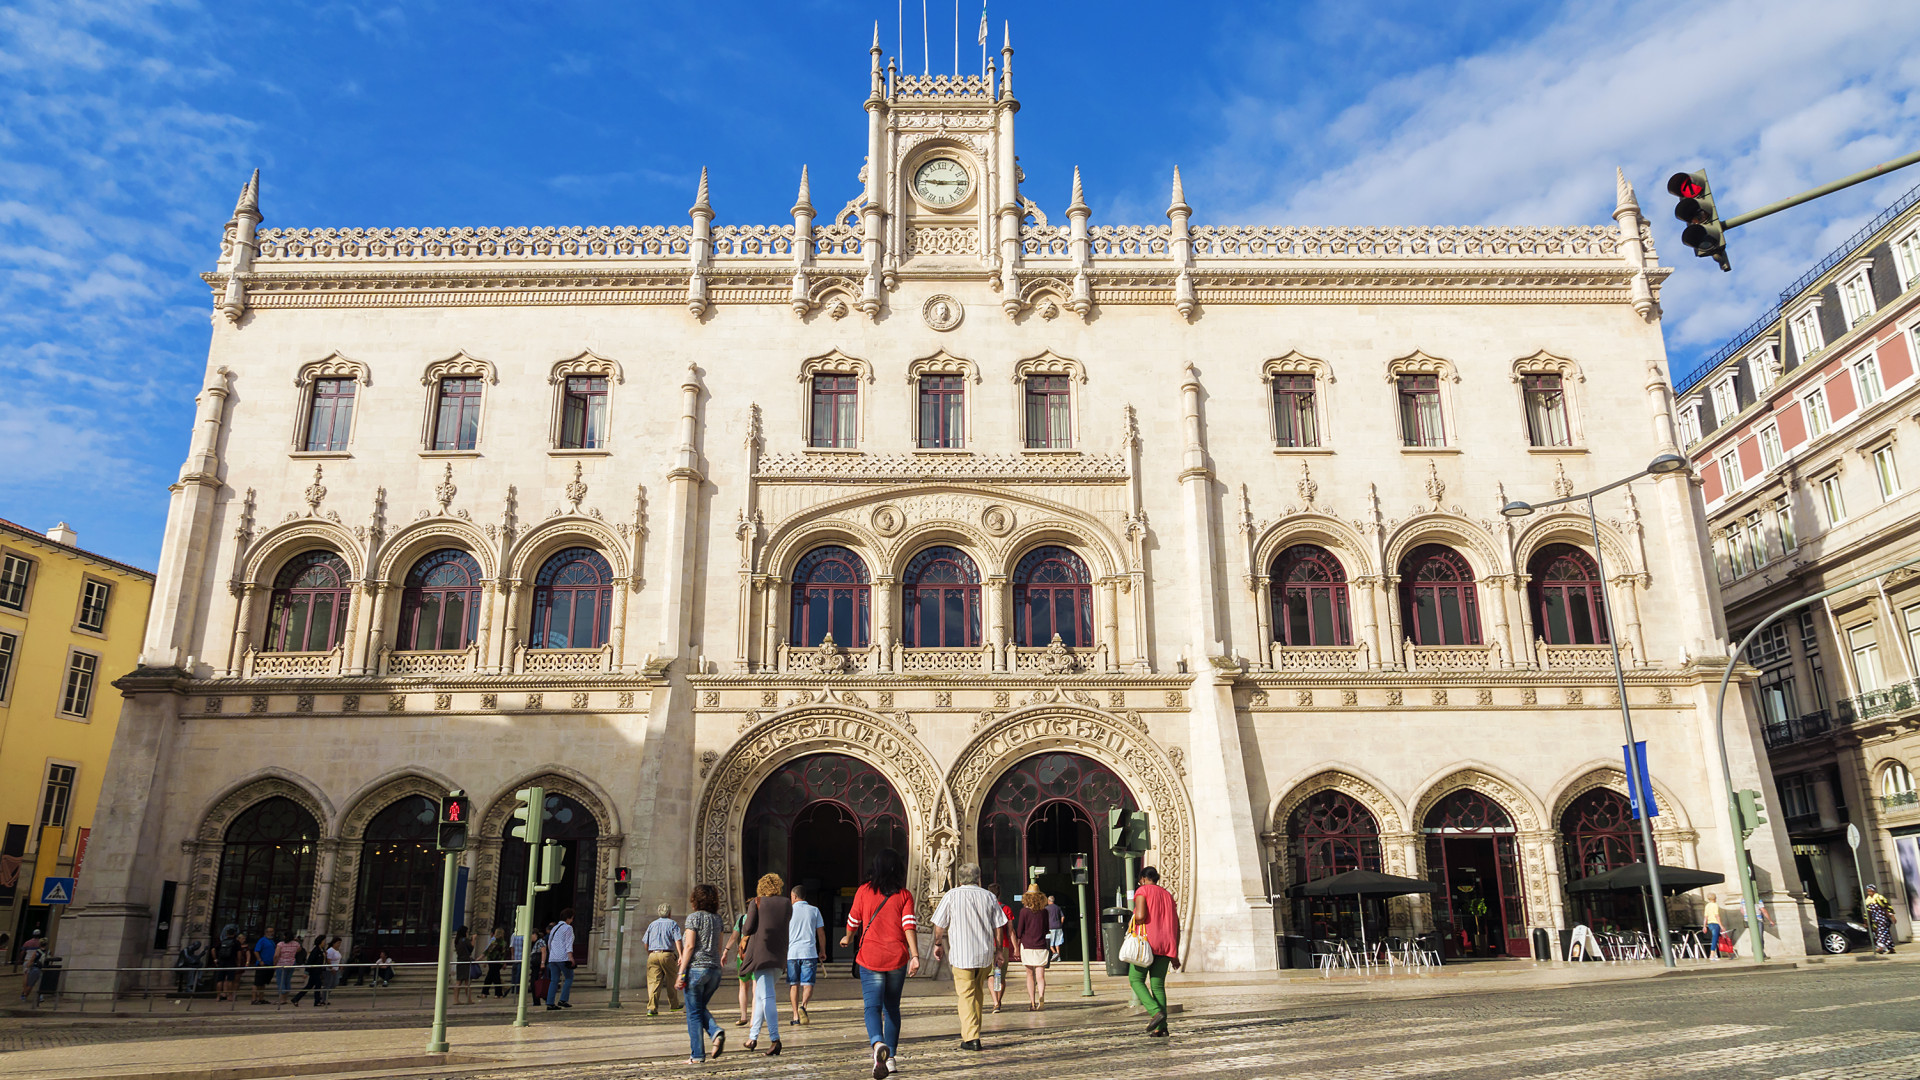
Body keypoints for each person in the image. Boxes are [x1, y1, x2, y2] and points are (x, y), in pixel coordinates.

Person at [841, 847, 920, 1080]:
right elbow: (909, 926)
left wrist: (847, 937)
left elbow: (853, 921)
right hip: (897, 958)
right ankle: (892, 1058)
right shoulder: (904, 895)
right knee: (892, 1008)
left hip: (870, 957)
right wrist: (915, 956)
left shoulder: (864, 891)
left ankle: (877, 1045)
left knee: (872, 1007)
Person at [930, 861, 1008, 1052]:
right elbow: (999, 926)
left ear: (959, 878)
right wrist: (999, 951)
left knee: (966, 995)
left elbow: (939, 926)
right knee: (977, 994)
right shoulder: (989, 897)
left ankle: (971, 1037)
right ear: (978, 878)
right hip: (983, 955)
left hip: (962, 955)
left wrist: (938, 944)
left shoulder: (951, 895)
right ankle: (975, 1032)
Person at [674, 883, 728, 1065]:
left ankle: (698, 1053)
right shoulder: (718, 919)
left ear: (695, 900)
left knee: (694, 1014)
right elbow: (718, 948)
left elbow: (689, 946)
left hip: (696, 970)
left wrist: (681, 973)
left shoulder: (693, 918)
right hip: (714, 971)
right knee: (697, 1009)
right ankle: (715, 1033)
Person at [740, 872, 792, 1055]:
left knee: (767, 997)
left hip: (761, 955)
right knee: (762, 996)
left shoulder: (757, 902)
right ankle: (752, 1038)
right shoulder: (786, 903)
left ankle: (775, 1039)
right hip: (779, 954)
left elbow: (747, 928)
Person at [1128, 866, 1181, 1037]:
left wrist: (1133, 915)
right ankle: (1162, 1028)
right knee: (1158, 986)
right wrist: (1175, 953)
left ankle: (1155, 1012)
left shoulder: (1142, 890)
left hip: (1147, 943)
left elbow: (1141, 916)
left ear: (1143, 878)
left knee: (1135, 979)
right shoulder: (1167, 895)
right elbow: (1176, 925)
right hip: (1166, 945)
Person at [786, 883, 826, 1026]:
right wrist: (822, 951)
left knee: (794, 984)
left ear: (794, 896)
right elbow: (821, 933)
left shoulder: (788, 911)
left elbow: (783, 933)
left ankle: (796, 1015)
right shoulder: (814, 910)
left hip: (792, 953)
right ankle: (803, 1006)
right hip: (809, 952)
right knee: (808, 983)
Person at [1014, 885, 1051, 1010]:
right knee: (1040, 976)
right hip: (1041, 945)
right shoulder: (1045, 912)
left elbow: (1019, 931)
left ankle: (1032, 1002)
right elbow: (1046, 929)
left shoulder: (1023, 912)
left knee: (1029, 975)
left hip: (1027, 945)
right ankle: (1041, 996)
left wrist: (1017, 947)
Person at [643, 903, 682, 1016]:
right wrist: (680, 955)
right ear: (670, 913)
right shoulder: (673, 924)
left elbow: (646, 942)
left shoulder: (652, 925)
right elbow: (677, 940)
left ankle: (652, 1008)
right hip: (667, 954)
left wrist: (649, 953)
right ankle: (674, 1005)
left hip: (653, 955)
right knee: (671, 980)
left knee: (653, 982)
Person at [985, 885, 1013, 1014]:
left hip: (988, 945)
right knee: (999, 975)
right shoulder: (1005, 908)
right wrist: (1016, 947)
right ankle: (998, 1001)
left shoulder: (985, 909)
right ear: (1000, 894)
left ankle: (995, 1001)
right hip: (1004, 945)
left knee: (992, 974)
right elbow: (1010, 930)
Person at [722, 908, 752, 1026]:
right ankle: (753, 1019)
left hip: (743, 956)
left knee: (743, 986)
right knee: (756, 988)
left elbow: (733, 937)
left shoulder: (741, 919)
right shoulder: (763, 918)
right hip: (757, 956)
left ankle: (743, 1016)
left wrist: (725, 952)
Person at [546, 908, 577, 1010]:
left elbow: (549, 942)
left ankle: (550, 1002)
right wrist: (570, 957)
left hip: (553, 957)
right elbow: (568, 943)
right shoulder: (568, 928)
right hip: (563, 957)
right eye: (572, 918)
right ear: (569, 918)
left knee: (554, 980)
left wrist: (551, 953)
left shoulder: (554, 928)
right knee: (569, 977)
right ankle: (563, 999)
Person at [212, 925, 243, 1002]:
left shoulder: (222, 941)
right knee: (230, 980)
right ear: (234, 934)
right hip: (231, 962)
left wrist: (215, 959)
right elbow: (239, 953)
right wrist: (238, 963)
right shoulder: (236, 942)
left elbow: (213, 950)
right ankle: (229, 996)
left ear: (226, 934)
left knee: (220, 980)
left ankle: (218, 996)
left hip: (222, 962)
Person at [1866, 885, 1898, 954]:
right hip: (1875, 919)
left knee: (1881, 932)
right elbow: (1868, 911)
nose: (1869, 893)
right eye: (1868, 891)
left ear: (1874, 891)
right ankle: (1891, 948)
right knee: (1885, 933)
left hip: (1882, 918)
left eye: (1871, 891)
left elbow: (1887, 907)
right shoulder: (1868, 900)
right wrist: (1867, 920)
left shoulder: (1880, 898)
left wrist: (1892, 916)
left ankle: (1880, 947)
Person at [249, 925, 276, 1004]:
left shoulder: (272, 941)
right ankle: (254, 999)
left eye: (272, 932)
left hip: (269, 964)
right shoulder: (262, 940)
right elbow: (256, 951)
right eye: (269, 932)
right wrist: (260, 960)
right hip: (262, 964)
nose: (271, 933)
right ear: (266, 932)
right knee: (257, 982)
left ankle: (261, 998)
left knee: (263, 982)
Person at [272, 931, 301, 1003]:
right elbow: (299, 950)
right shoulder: (296, 944)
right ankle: (285, 998)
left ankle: (281, 999)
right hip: (291, 963)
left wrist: (274, 963)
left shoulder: (280, 944)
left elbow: (276, 955)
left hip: (282, 964)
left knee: (281, 981)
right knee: (287, 980)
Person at [482, 926, 509, 997]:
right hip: (499, 962)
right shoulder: (504, 943)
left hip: (493, 961)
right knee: (490, 977)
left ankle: (498, 993)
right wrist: (504, 962)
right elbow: (504, 954)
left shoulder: (495, 942)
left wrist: (481, 959)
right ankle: (485, 992)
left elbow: (488, 951)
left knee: (494, 977)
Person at [18, 934, 45, 1003]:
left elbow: (23, 952)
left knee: (27, 981)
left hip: (29, 963)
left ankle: (24, 994)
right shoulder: (45, 950)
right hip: (40, 967)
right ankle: (39, 996)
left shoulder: (28, 943)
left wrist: (21, 960)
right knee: (36, 982)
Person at [453, 926, 475, 1004]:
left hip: (460, 961)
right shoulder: (465, 940)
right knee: (467, 982)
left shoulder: (457, 941)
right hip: (465, 961)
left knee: (458, 981)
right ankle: (469, 999)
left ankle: (456, 999)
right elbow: (471, 948)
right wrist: (473, 939)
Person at [322, 937, 343, 1005]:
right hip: (330, 970)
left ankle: (325, 996)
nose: (339, 944)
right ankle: (324, 999)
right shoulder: (330, 950)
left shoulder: (337, 950)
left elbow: (338, 959)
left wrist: (340, 965)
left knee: (335, 983)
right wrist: (331, 968)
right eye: (338, 943)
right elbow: (328, 960)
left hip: (336, 969)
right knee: (328, 984)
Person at [1703, 893, 1724, 958]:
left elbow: (1705, 917)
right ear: (1715, 898)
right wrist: (1721, 925)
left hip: (1710, 923)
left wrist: (1704, 926)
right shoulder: (1715, 905)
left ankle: (1728, 953)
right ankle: (1712, 953)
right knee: (1715, 938)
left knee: (1720, 937)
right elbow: (1717, 916)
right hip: (1715, 923)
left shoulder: (1707, 906)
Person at [1045, 894, 1064, 963]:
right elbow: (1062, 917)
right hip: (1058, 927)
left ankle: (1054, 953)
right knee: (1057, 942)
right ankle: (1058, 957)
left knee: (1049, 942)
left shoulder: (1046, 908)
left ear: (1049, 901)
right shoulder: (1058, 908)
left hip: (1050, 927)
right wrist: (1060, 924)